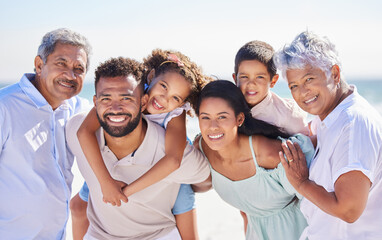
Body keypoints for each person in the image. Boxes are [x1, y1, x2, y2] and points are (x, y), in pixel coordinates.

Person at [70, 50, 210, 240]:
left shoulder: (176, 113)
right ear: (151, 76)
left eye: (176, 98)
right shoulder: (127, 94)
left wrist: (126, 191)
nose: (164, 99)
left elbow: (173, 160)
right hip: (110, 167)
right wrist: (106, 182)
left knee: (184, 210)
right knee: (78, 206)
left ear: (182, 103)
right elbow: (84, 131)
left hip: (169, 173)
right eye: (163, 86)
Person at [274, 31, 382, 240]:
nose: (302, 92)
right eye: (293, 86)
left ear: (334, 73)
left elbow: (348, 210)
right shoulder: (329, 119)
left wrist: (302, 183)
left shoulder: (353, 123)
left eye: (309, 79)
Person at [194, 80, 315, 240]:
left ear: (239, 119)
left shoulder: (269, 154)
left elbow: (316, 200)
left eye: (222, 117)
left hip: (299, 231)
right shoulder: (201, 148)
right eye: (205, 117)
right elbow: (246, 207)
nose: (213, 126)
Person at [0, 28, 91, 239]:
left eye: (79, 68)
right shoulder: (5, 107)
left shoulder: (78, 109)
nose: (70, 75)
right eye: (61, 63)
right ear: (40, 65)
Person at [233, 40, 309, 135]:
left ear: (273, 81)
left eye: (260, 77)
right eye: (244, 77)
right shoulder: (229, 107)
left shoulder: (288, 113)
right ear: (235, 79)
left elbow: (306, 144)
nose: (251, 84)